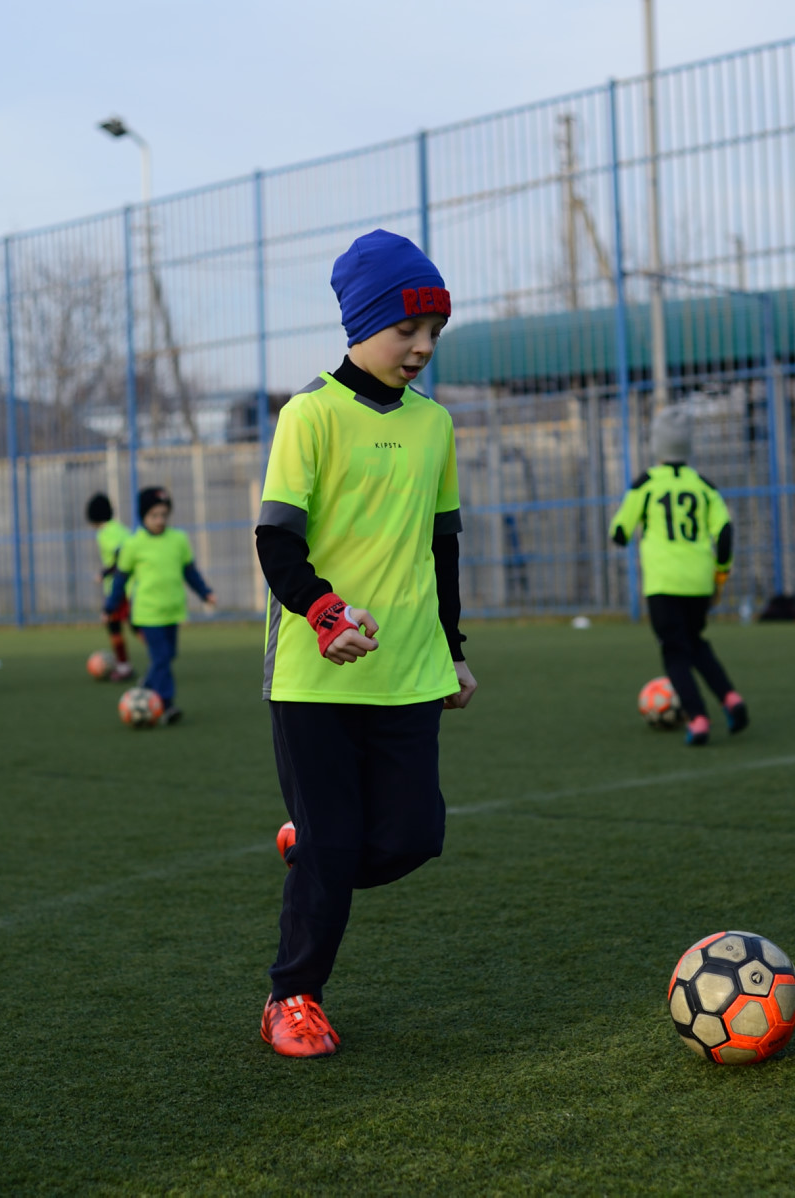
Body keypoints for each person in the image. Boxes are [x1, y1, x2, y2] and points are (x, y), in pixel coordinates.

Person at [252, 228, 476, 1058]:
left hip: (412, 669)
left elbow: (442, 544)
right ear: (361, 322)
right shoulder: (308, 415)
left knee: (415, 837)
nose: (421, 347)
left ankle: (311, 849)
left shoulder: (435, 426)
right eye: (405, 330)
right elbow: (277, 543)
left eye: (433, 333)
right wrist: (323, 613)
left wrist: (451, 649)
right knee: (337, 843)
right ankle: (292, 996)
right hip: (315, 673)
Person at [609, 406, 748, 747]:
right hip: (700, 581)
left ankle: (698, 718)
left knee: (674, 652)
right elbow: (726, 532)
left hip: (663, 582)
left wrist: (629, 527)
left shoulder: (646, 484)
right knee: (696, 643)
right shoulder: (703, 486)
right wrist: (720, 574)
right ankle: (730, 698)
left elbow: (619, 533)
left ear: (657, 444)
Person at [109, 486, 215, 724]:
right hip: (147, 614)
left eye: (163, 515)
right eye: (153, 515)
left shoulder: (178, 540)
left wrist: (205, 593)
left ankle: (146, 685)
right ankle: (165, 705)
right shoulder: (133, 544)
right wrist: (110, 606)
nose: (159, 520)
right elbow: (120, 579)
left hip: (172, 611)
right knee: (161, 658)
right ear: (143, 516)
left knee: (169, 655)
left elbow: (190, 572)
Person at [86, 492, 135, 680]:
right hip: (132, 586)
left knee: (114, 625)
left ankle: (124, 667)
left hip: (118, 588)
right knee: (135, 625)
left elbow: (122, 554)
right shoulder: (121, 528)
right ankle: (156, 660)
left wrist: (104, 573)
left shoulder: (105, 533)